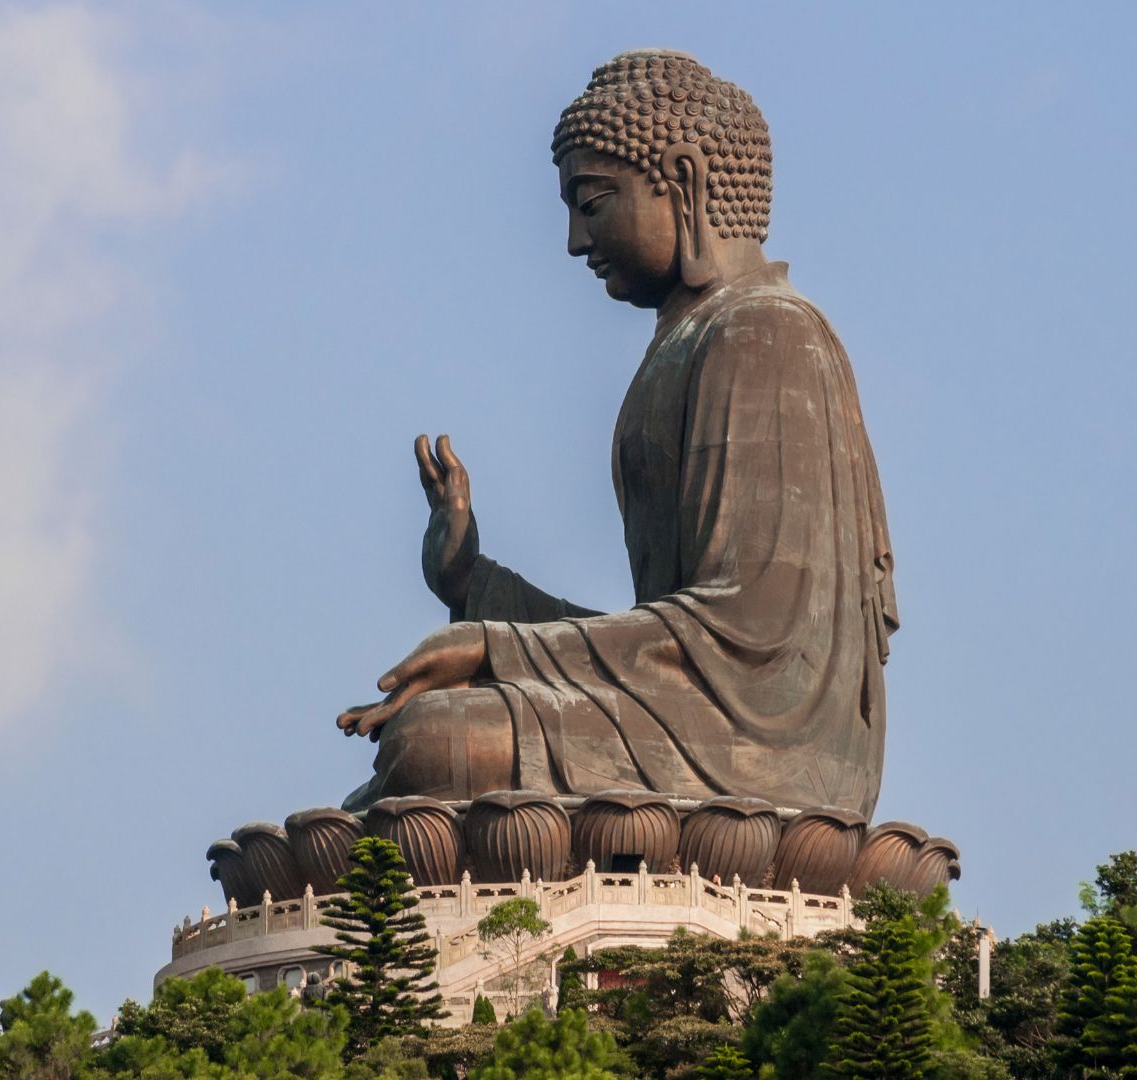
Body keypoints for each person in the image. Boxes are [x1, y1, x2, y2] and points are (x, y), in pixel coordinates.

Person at [337, 51, 898, 818]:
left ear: (685, 179)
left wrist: (500, 647)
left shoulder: (764, 334)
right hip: (684, 713)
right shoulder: (689, 340)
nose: (574, 239)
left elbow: (748, 639)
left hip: (763, 750)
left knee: (435, 743)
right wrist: (475, 587)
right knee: (382, 787)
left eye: (593, 201)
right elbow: (672, 640)